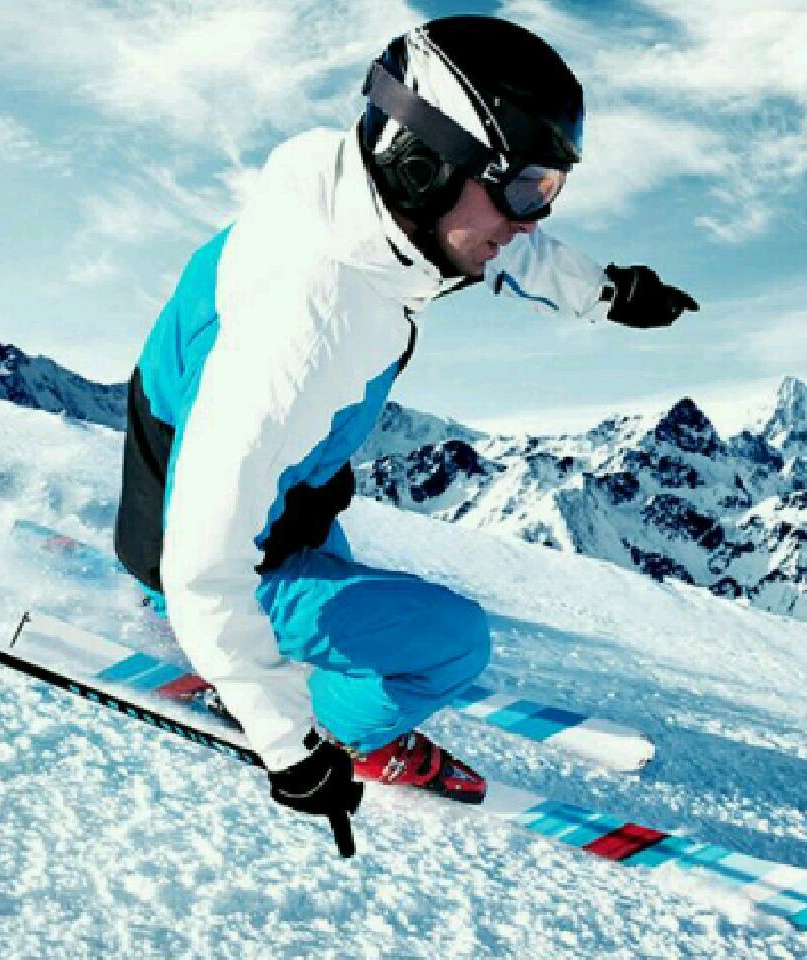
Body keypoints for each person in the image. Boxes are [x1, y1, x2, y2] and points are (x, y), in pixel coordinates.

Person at [113, 15, 698, 858]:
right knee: (450, 644)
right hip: (194, 532)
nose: (531, 219)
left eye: (550, 191)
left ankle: (236, 634)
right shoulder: (302, 329)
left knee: (360, 595)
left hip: (250, 483)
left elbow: (493, 242)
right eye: (526, 189)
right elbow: (204, 562)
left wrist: (606, 292)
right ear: (423, 166)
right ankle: (342, 728)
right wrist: (288, 744)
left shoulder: (351, 197)